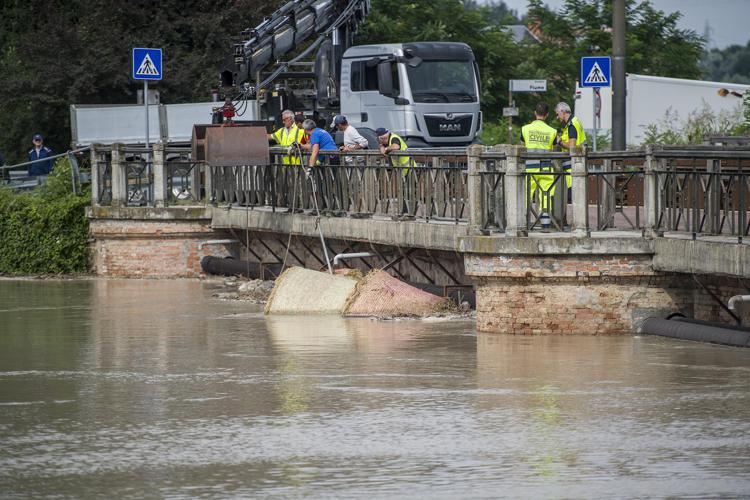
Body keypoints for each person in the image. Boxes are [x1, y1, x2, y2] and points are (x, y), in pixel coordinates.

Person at [522, 102, 557, 217]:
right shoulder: (552, 131)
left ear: (535, 113)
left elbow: (522, 147)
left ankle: (524, 220)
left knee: (527, 192)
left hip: (530, 166)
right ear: (547, 115)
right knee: (546, 193)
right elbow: (554, 148)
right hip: (546, 167)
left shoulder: (525, 129)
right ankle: (545, 222)